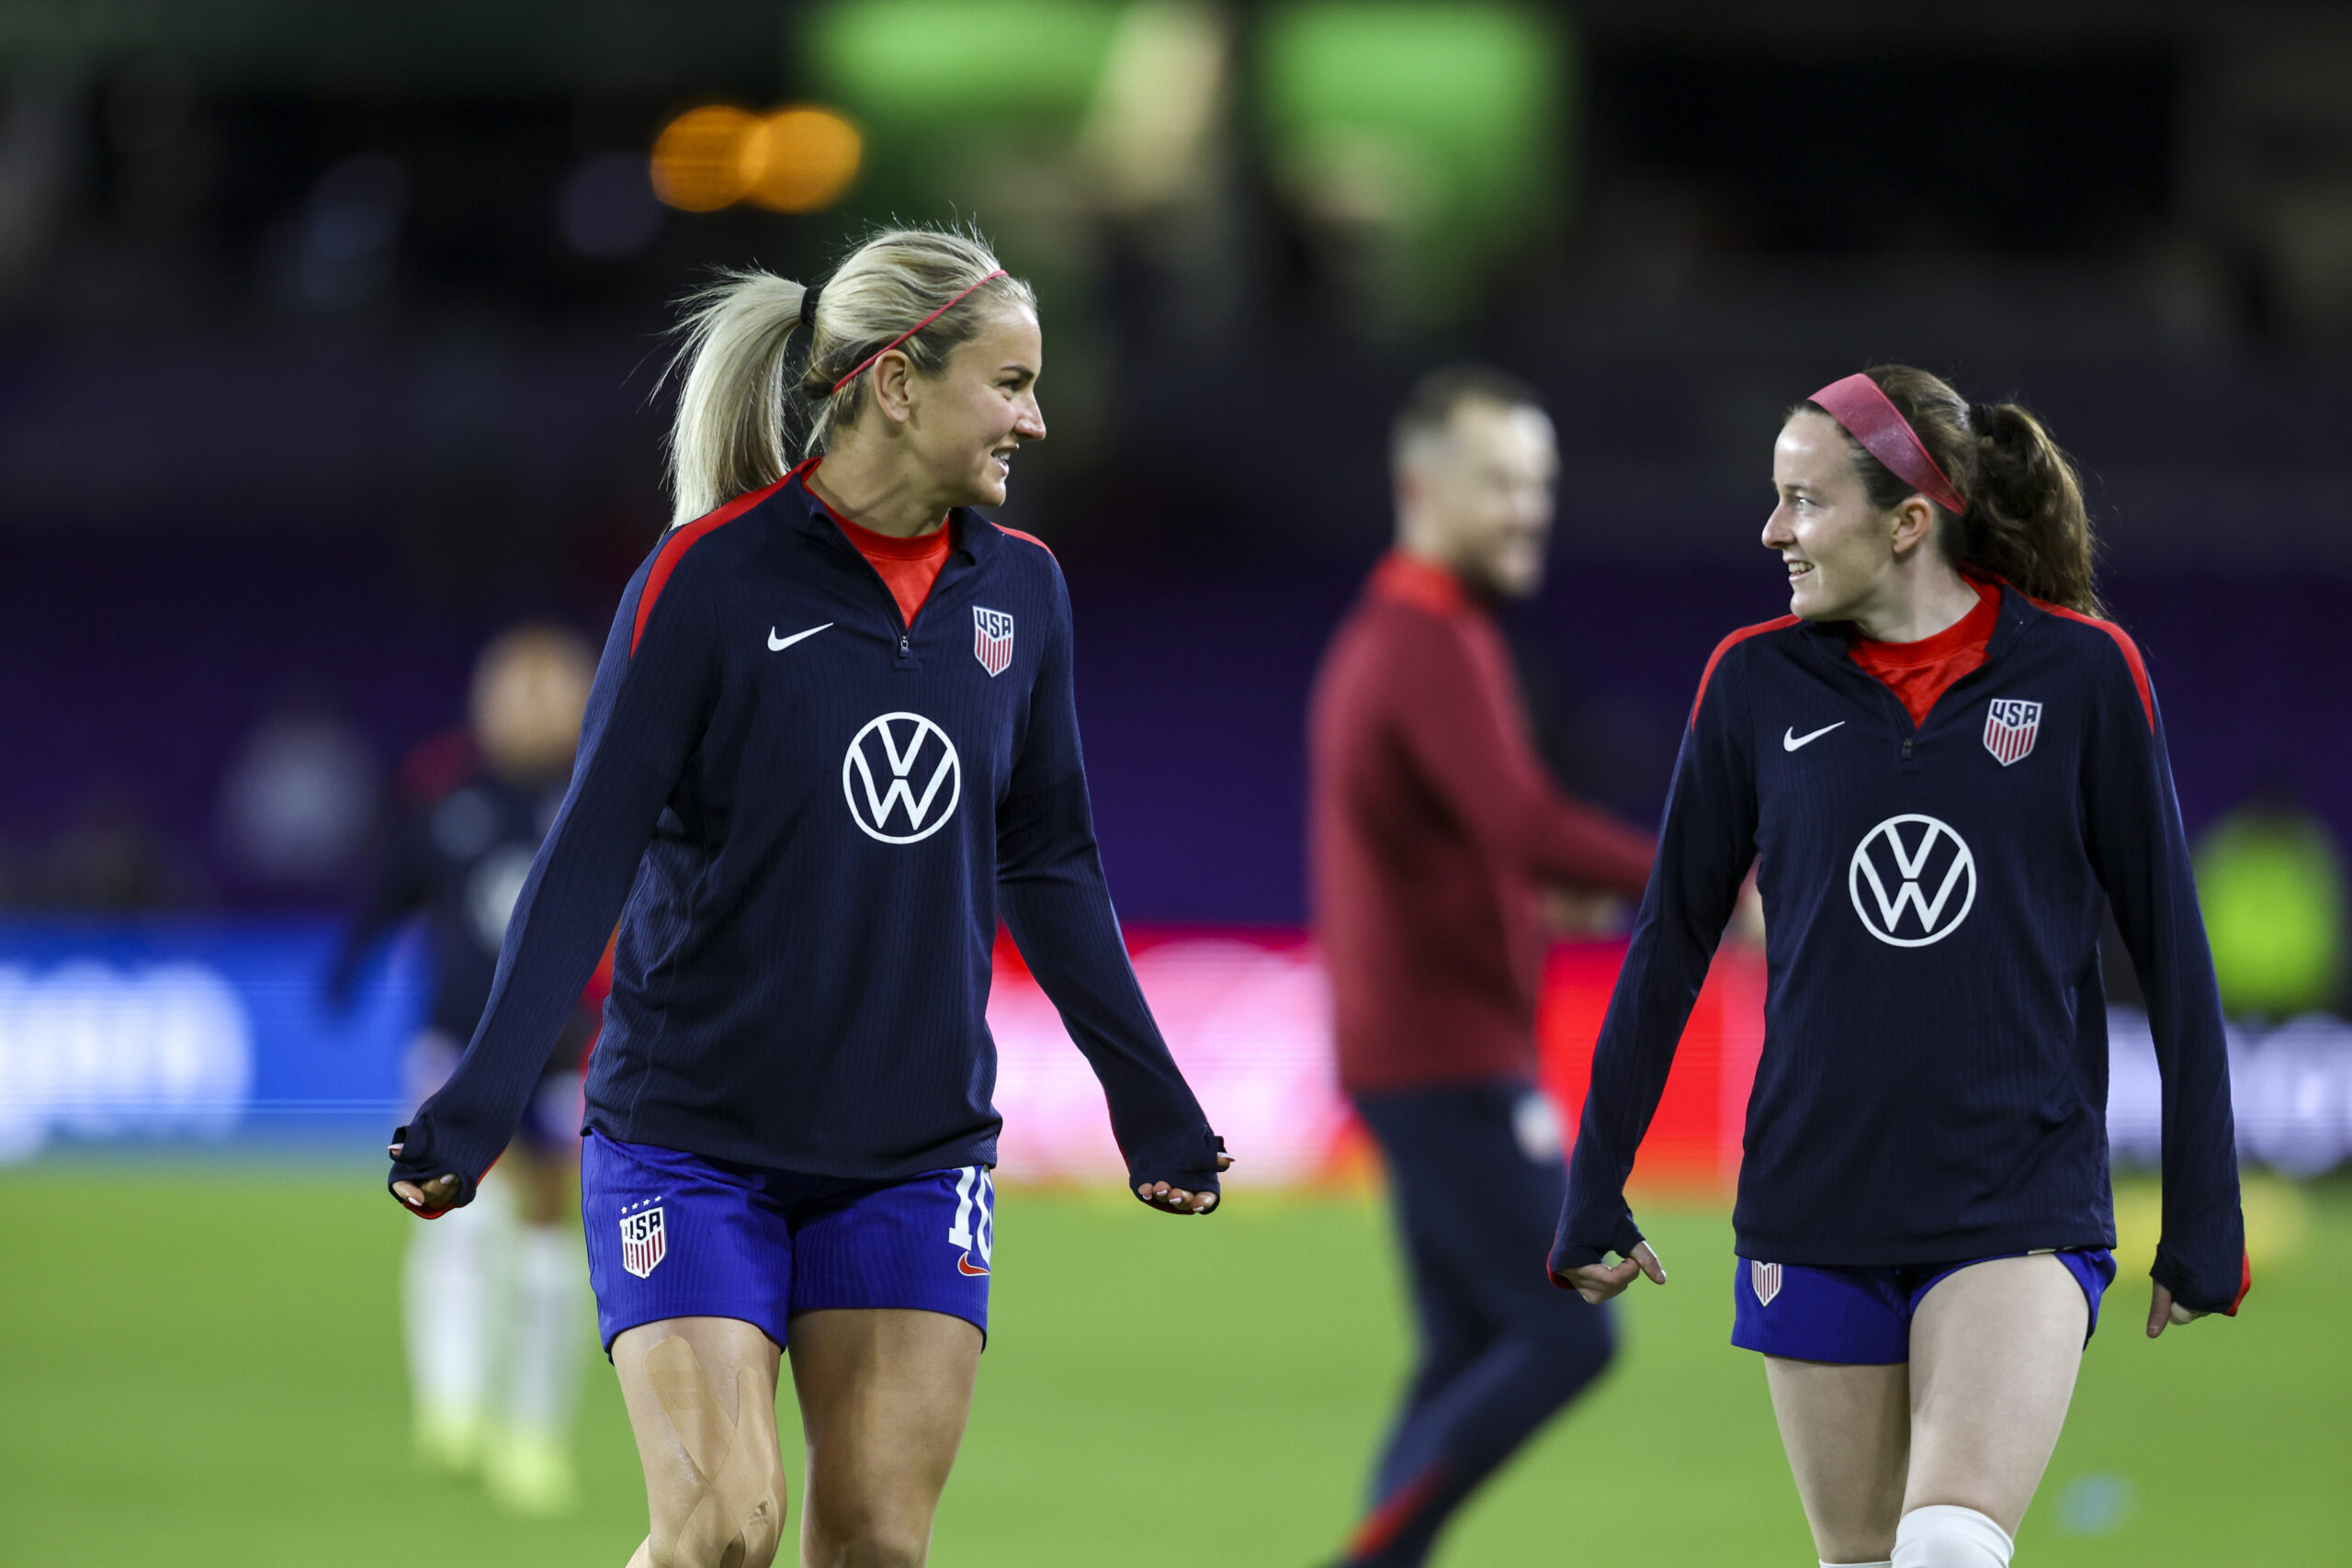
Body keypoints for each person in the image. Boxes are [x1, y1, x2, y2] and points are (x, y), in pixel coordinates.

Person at [384, 224, 1230, 1568]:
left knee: (877, 1543)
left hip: (911, 1152)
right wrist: (482, 1101)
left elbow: (1052, 859)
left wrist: (1153, 1097)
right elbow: (588, 852)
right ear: (899, 381)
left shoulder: (1026, 592)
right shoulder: (705, 579)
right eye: (1008, 383)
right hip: (690, 1139)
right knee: (723, 1528)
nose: (1039, 417)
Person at [1551, 366, 2249, 1568]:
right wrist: (1593, 1180)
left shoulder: (2084, 676)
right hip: (1812, 1203)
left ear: (1908, 520)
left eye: (1805, 501)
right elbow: (1670, 939)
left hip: (2016, 1201)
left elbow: (2174, 952)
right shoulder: (1749, 683)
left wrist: (2205, 1205)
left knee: (1945, 1548)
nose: (1774, 530)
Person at [1306, 367, 1655, 1568]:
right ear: (1422, 486)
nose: (1527, 510)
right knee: (1567, 1336)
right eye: (1502, 483)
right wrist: (1702, 876)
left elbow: (1463, 846)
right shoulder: (1425, 641)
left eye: (1539, 485)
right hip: (1450, 1059)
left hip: (1419, 1050)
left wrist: (1533, 899)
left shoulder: (1400, 636)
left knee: (1468, 1349)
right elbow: (1519, 818)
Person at [329, 623, 602, 1513]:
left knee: (547, 1226)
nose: (530, 710)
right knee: (444, 1212)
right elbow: (392, 890)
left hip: (565, 1046)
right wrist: (350, 968)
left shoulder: (600, 791)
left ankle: (531, 1432)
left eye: (547, 691)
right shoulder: (442, 794)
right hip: (455, 1041)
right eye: (515, 692)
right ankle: (450, 1405)